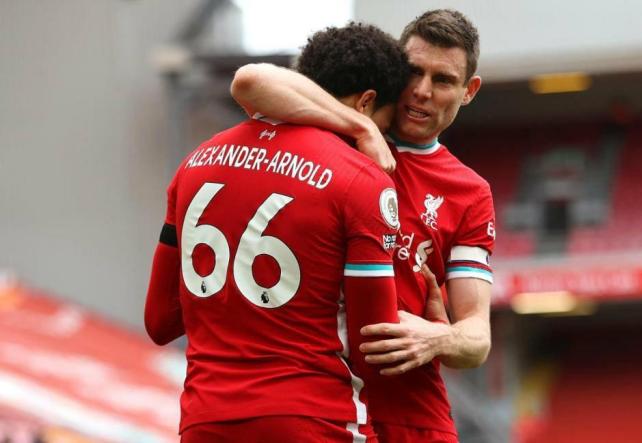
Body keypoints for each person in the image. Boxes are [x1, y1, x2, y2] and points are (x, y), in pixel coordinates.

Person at [230, 9, 495, 443]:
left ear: (469, 91)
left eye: (443, 80)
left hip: (412, 413)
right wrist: (361, 129)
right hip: (322, 404)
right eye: (414, 71)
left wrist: (437, 338)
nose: (422, 90)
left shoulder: (470, 193)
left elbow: (476, 336)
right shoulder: (335, 135)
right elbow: (250, 81)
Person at [144, 23, 412, 443]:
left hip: (205, 421)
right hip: (313, 419)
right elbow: (371, 346)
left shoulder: (194, 163)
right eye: (386, 125)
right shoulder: (360, 180)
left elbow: (159, 322)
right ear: (366, 103)